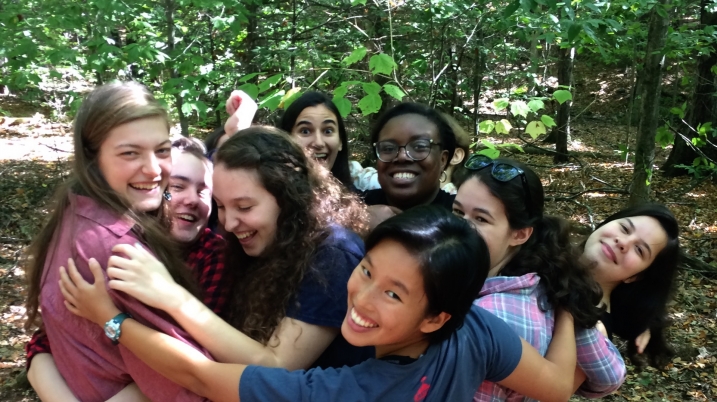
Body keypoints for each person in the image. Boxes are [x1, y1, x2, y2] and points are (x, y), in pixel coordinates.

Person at [59, 206, 580, 402]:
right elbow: (556, 387)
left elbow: (201, 378)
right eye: (368, 270)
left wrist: (111, 319)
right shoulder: (475, 330)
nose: (362, 298)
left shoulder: (352, 391)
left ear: (436, 315)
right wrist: (573, 314)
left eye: (393, 294)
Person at [57, 127, 372, 373]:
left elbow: (276, 367)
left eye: (244, 206)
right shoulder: (267, 246)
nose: (231, 223)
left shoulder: (332, 254)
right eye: (220, 206)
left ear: (291, 195)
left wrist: (168, 296)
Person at [23, 82, 210, 402]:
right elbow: (186, 383)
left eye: (162, 150)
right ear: (93, 159)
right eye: (129, 153)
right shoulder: (117, 250)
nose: (153, 169)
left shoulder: (75, 211)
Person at [452, 154, 626, 401]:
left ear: (520, 234)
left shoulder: (487, 316)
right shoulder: (547, 288)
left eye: (481, 219)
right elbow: (610, 376)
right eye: (458, 212)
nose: (460, 227)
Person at [583, 203, 680, 367]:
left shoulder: (593, 333)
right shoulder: (539, 243)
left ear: (635, 277)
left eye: (639, 250)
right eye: (624, 228)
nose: (623, 242)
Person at [362, 103, 457, 228]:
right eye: (388, 148)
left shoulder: (461, 215)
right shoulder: (354, 207)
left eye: (419, 146)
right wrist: (358, 223)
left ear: (443, 160)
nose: (402, 156)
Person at [277, 91, 353, 188]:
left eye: (328, 131)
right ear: (286, 139)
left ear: (340, 141)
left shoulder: (361, 199)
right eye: (305, 131)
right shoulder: (267, 198)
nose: (319, 142)